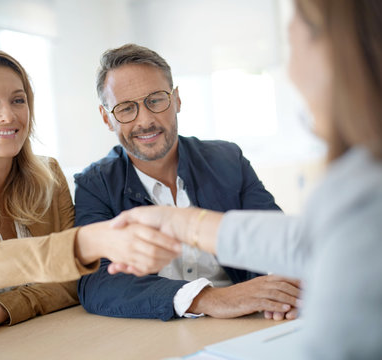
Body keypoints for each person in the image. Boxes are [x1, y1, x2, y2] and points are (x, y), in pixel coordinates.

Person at [112, 0, 382, 358]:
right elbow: (307, 240)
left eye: (293, 41)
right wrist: (183, 224)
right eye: (127, 107)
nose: (291, 71)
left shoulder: (378, 193)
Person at [0, 50, 181, 353]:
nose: (8, 115)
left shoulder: (49, 177)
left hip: (39, 338)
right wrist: (87, 242)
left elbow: (74, 281)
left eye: (18, 100)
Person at [75, 43, 302, 322]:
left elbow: (277, 240)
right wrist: (208, 299)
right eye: (125, 108)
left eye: (156, 100)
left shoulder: (228, 159)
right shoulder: (95, 185)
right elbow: (95, 284)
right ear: (106, 118)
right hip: (158, 333)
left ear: (177, 100)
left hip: (247, 323)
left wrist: (288, 285)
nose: (145, 120)